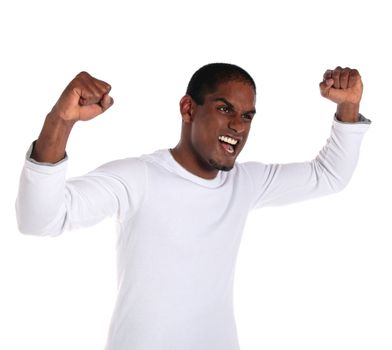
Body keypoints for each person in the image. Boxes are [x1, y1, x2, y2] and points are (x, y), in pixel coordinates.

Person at [16, 63, 370, 350]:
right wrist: (60, 121)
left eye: (247, 116)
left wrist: (349, 106)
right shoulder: (139, 178)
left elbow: (329, 176)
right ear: (188, 108)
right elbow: (39, 219)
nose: (237, 125)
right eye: (224, 108)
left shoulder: (244, 183)